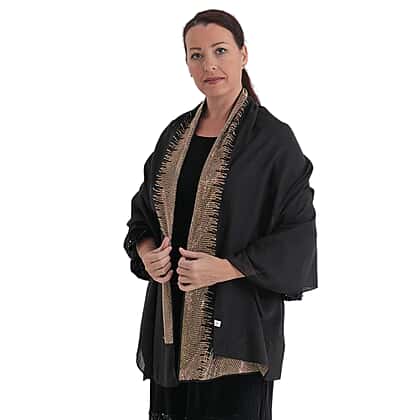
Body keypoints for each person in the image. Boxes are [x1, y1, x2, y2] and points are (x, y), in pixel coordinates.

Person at [123, 9, 318, 420]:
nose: (209, 64)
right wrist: (147, 253)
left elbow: (298, 235)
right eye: (196, 55)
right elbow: (142, 214)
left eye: (220, 50)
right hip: (170, 329)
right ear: (187, 63)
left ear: (243, 54)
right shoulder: (175, 135)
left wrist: (225, 268)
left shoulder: (272, 141)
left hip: (237, 335)